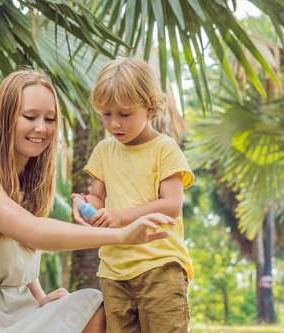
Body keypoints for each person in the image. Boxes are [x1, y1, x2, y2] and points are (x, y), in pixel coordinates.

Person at [0, 69, 177, 333]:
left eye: (50, 119)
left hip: (21, 311)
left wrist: (39, 297)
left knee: (96, 306)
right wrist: (121, 235)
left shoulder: (28, 186)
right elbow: (32, 231)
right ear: (5, 118)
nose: (41, 128)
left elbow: (16, 253)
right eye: (29, 117)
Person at [72, 57, 195, 333]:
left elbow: (172, 204)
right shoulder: (104, 151)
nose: (114, 123)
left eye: (124, 114)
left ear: (150, 108)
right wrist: (85, 207)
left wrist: (120, 216)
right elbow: (98, 198)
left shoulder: (165, 148)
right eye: (106, 114)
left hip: (160, 266)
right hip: (113, 270)